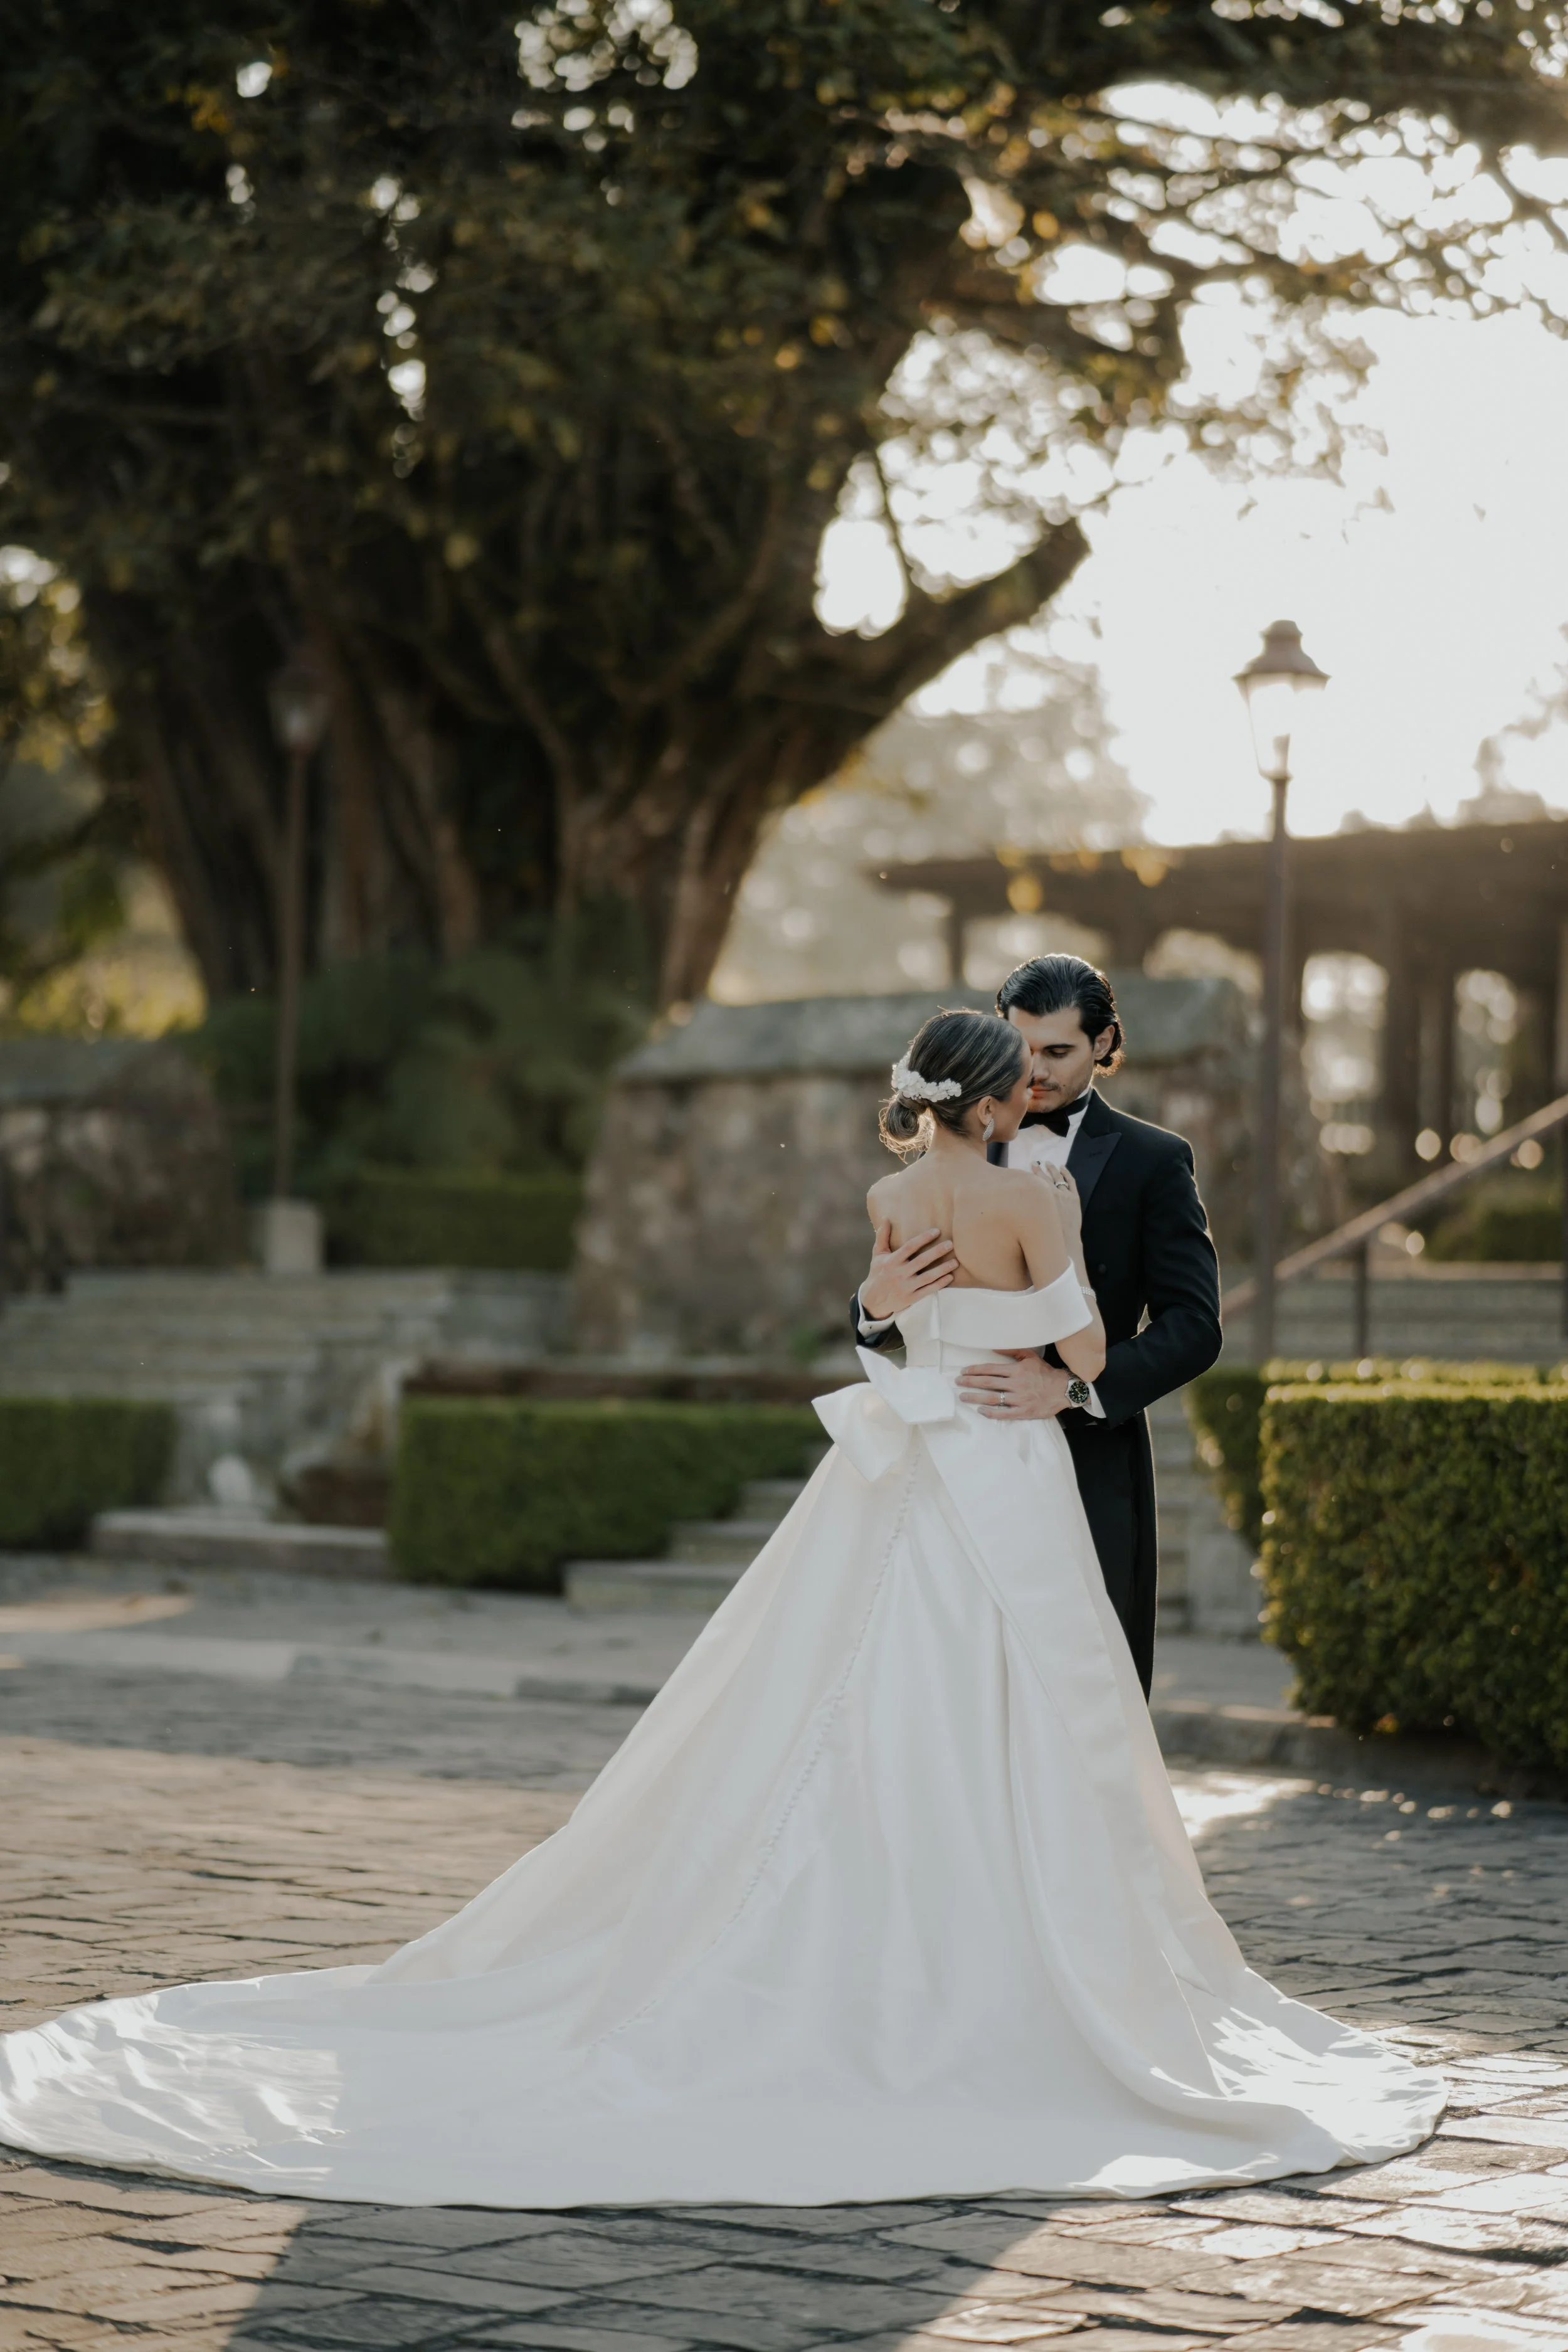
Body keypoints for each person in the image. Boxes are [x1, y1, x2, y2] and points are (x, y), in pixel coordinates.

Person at [0, 1010, 1441, 2207]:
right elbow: (1072, 1334)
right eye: (1022, 1081)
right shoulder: (1038, 1193)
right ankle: (1008, 1942)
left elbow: (887, 1315)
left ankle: (851, 1913)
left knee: (851, 1687)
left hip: (903, 1464)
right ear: (994, 1097)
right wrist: (1061, 1356)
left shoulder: (892, 1201)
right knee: (1021, 1698)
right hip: (1002, 1464)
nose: (1032, 1097)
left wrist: (903, 1309)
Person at [854, 956, 1222, 1695]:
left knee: (1087, 1689)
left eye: (1057, 1053)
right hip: (950, 1460)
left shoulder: (1154, 1161)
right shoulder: (945, 1153)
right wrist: (872, 1308)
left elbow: (1194, 1327)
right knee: (940, 1680)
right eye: (1021, 1051)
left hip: (1090, 1463)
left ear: (1104, 1042)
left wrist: (1075, 1392)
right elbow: (905, 1317)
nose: (1034, 1075)